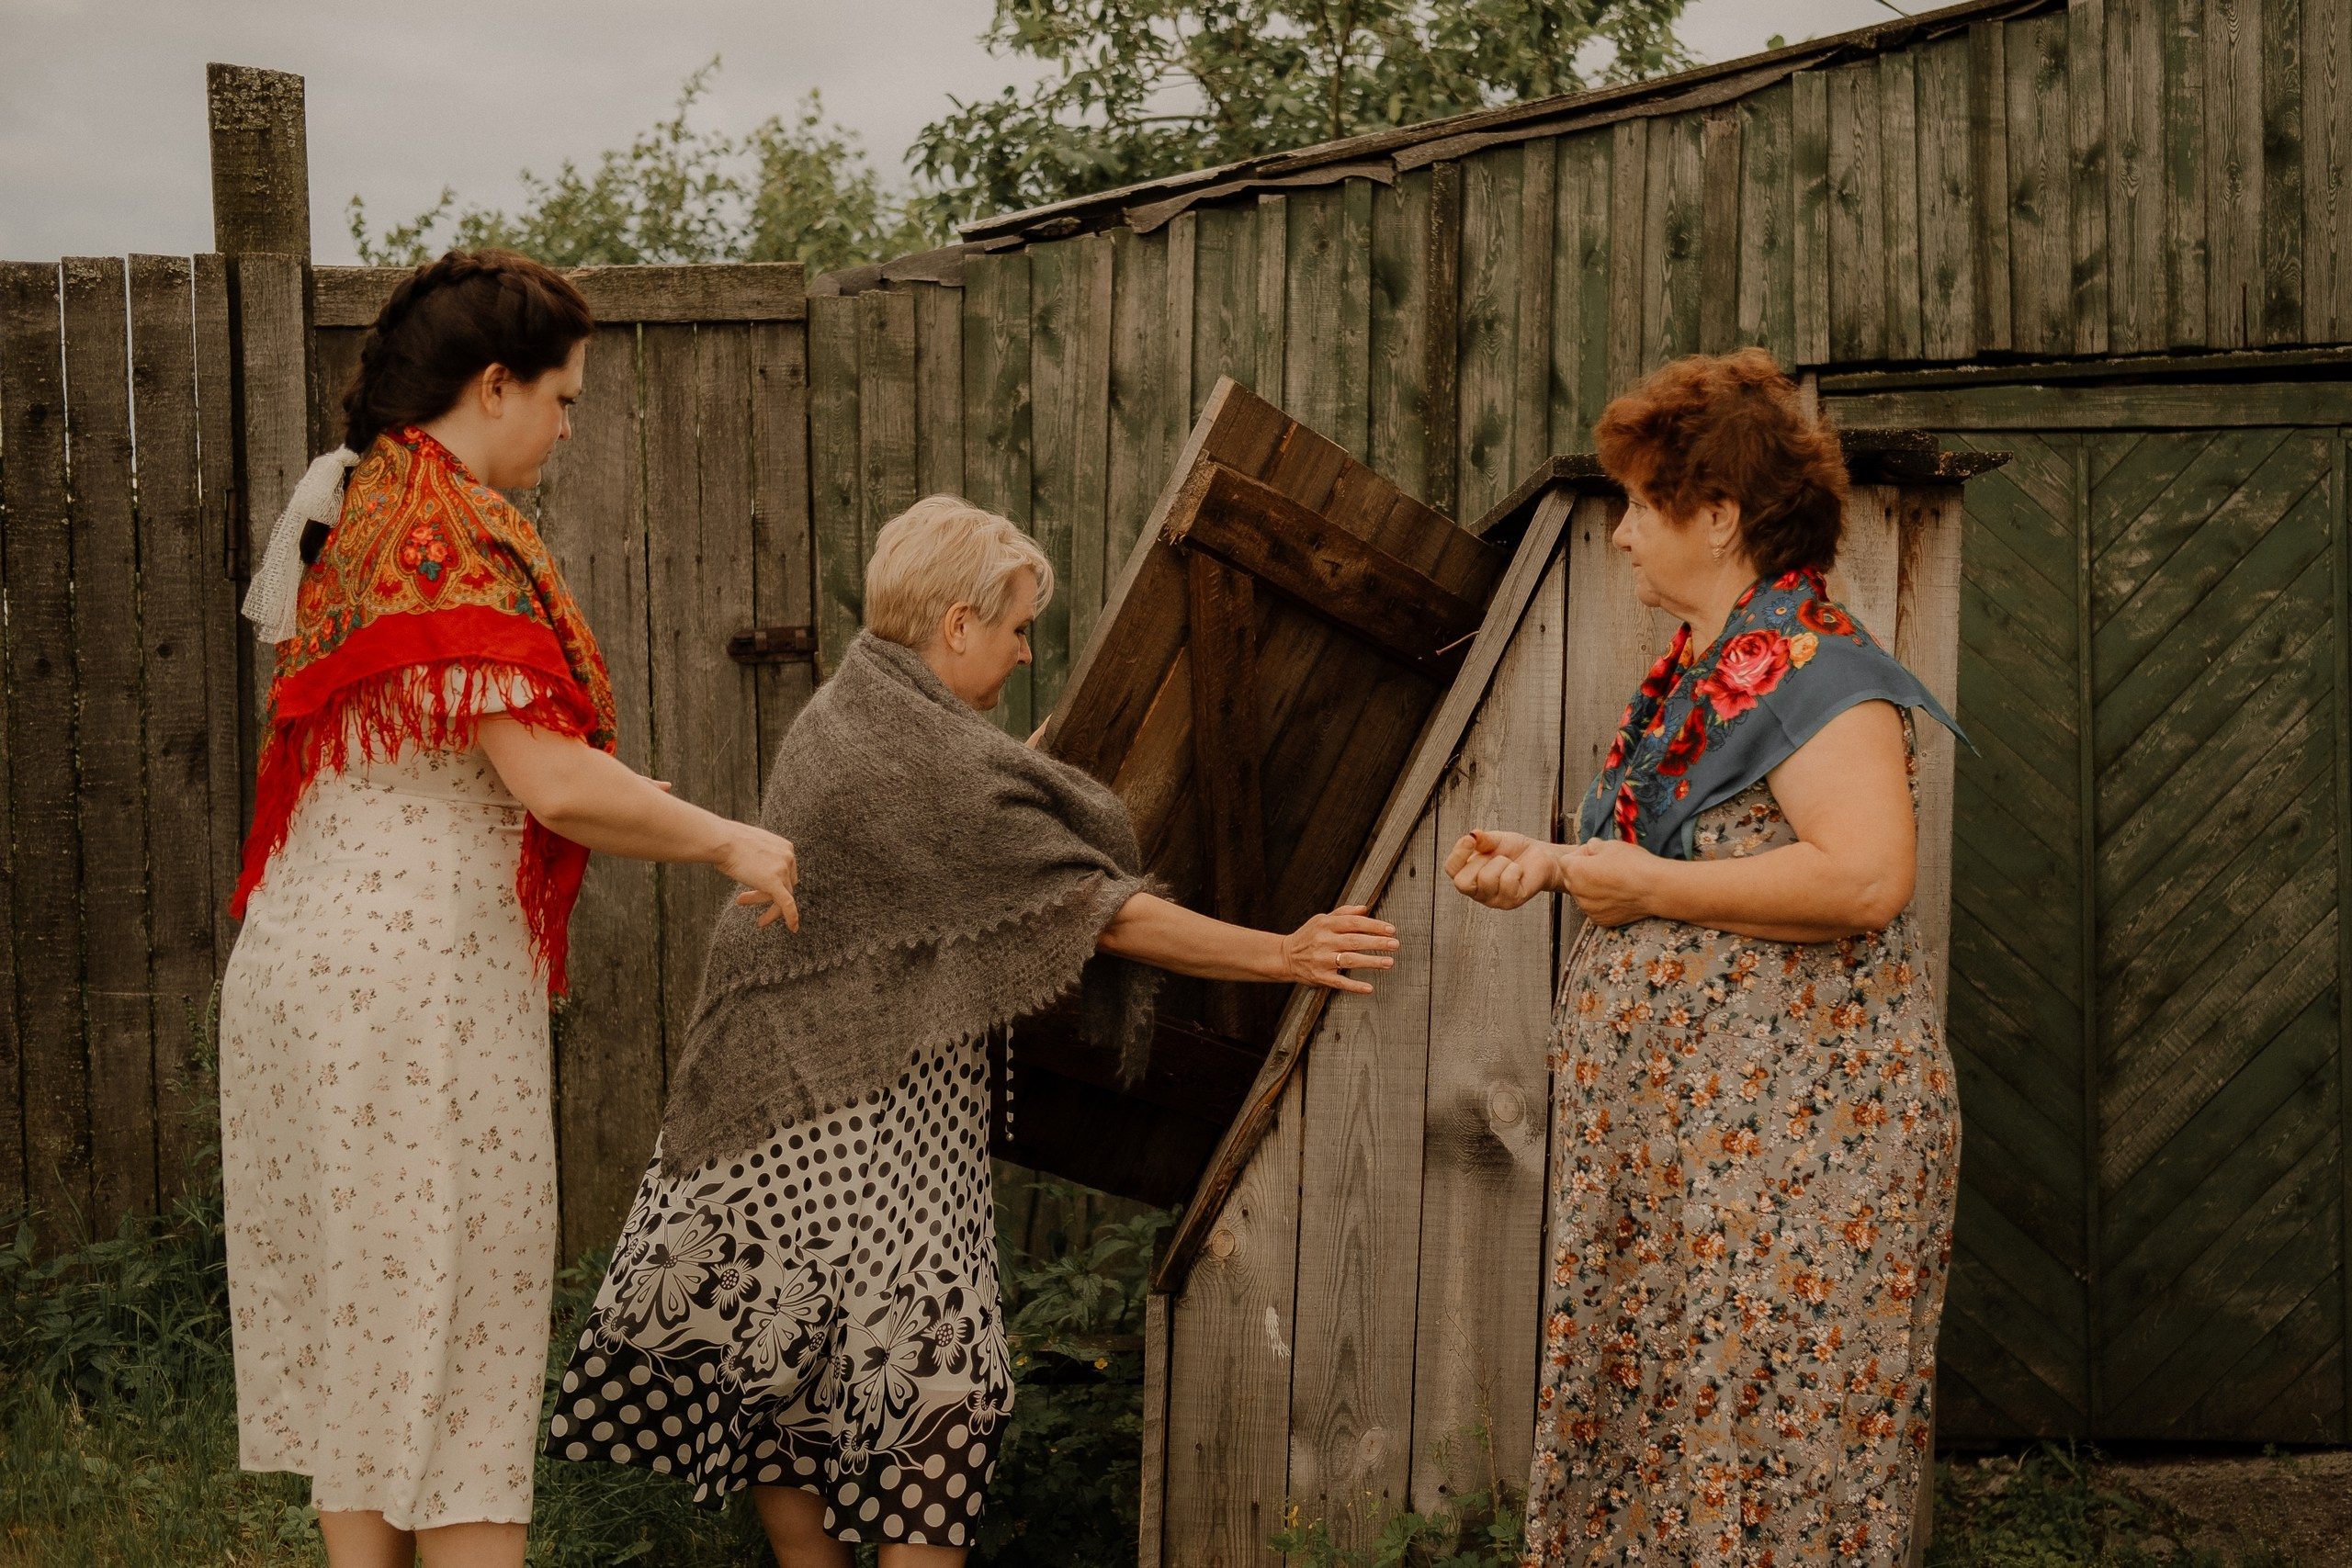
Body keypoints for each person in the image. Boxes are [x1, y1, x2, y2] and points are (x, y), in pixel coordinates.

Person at [547, 495, 1398, 1566]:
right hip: (832, 1128)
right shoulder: (916, 761)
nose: (1025, 650)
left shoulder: (858, 717)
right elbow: (1099, 908)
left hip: (790, 1107)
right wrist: (1281, 952)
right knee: (932, 1399)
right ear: (955, 625)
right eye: (1014, 628)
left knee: (795, 1383)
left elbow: (970, 824)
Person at [218, 250, 799, 1568]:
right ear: (496, 384)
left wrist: (599, 785)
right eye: (566, 396)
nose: (570, 424)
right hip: (409, 991)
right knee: (468, 1329)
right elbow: (546, 780)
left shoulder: (356, 505)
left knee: (371, 1328)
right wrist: (730, 838)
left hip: (302, 970)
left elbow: (435, 753)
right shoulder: (456, 530)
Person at [1445, 351, 1962, 1566]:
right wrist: (1550, 864)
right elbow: (1678, 873)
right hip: (1698, 1169)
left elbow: (1867, 877)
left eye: (1640, 503)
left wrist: (1630, 879)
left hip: (1794, 1155)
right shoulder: (1706, 676)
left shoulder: (1821, 675)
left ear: (1718, 515)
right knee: (1681, 1451)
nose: (1621, 535)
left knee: (1769, 1462)